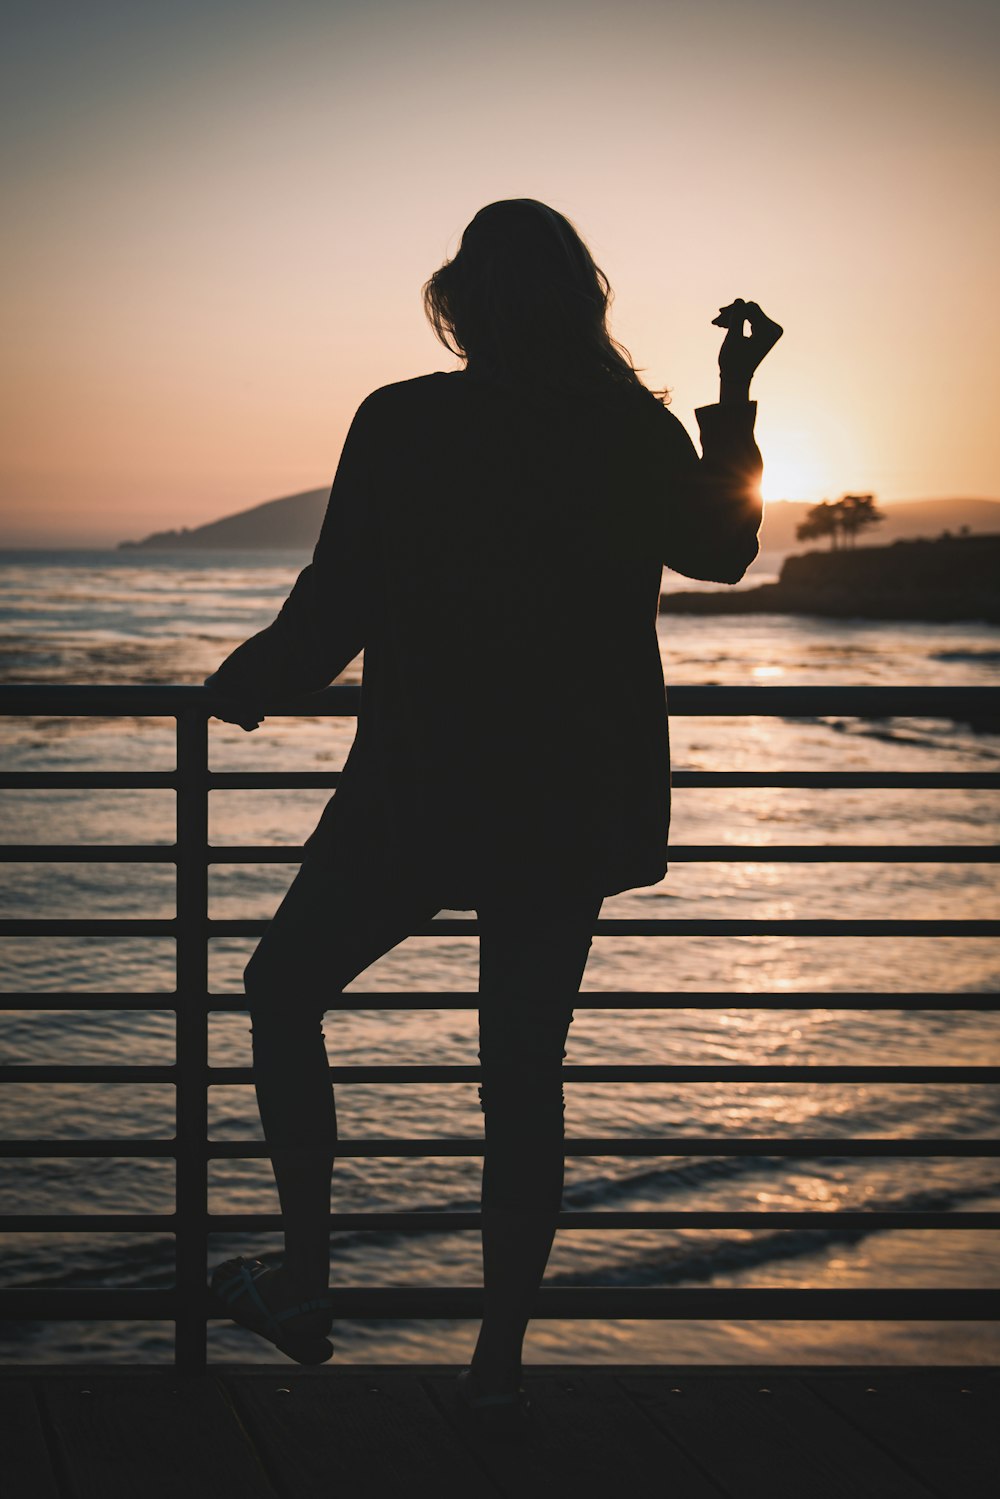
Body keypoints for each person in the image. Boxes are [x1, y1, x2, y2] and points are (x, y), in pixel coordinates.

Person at [205, 199, 781, 1416]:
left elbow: (335, 601)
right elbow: (721, 555)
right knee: (521, 1072)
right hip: (566, 798)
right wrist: (730, 393)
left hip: (421, 783)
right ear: (582, 301)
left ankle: (305, 1280)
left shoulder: (404, 419)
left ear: (462, 299)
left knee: (280, 987)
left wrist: (249, 681)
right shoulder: (626, 427)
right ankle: (498, 1360)